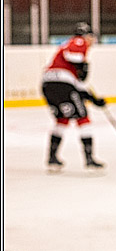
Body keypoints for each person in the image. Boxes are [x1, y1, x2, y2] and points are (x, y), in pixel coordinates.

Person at [41, 22, 107, 172]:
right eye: (92, 38)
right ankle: (89, 160)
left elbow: (77, 84)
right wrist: (80, 63)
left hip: (48, 84)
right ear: (87, 35)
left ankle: (52, 159)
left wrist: (92, 98)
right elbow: (72, 55)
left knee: (62, 119)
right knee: (83, 117)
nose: (92, 42)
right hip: (62, 85)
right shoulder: (79, 42)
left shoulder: (65, 45)